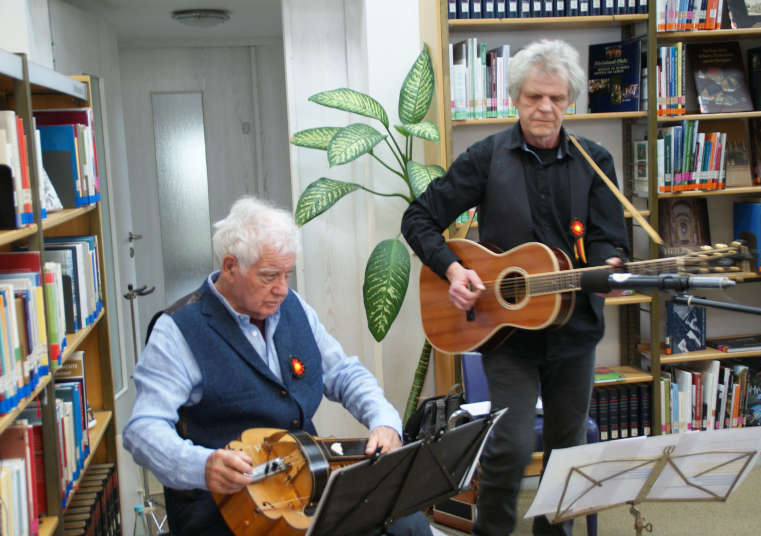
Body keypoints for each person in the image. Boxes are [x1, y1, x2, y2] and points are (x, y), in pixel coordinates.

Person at [401, 39, 629, 536]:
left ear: (570, 101)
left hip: (575, 332)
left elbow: (612, 236)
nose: (545, 108)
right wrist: (452, 270)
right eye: (533, 97)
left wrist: (611, 265)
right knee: (507, 447)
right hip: (505, 332)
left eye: (556, 98)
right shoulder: (485, 158)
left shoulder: (595, 161)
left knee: (567, 451)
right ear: (515, 98)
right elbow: (418, 218)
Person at [123, 196, 432, 536]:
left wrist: (384, 421)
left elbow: (343, 373)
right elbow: (142, 430)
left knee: (408, 524)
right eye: (269, 276)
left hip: (304, 484)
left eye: (288, 274)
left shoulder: (293, 307)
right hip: (226, 508)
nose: (282, 289)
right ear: (230, 267)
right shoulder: (178, 330)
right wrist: (202, 465)